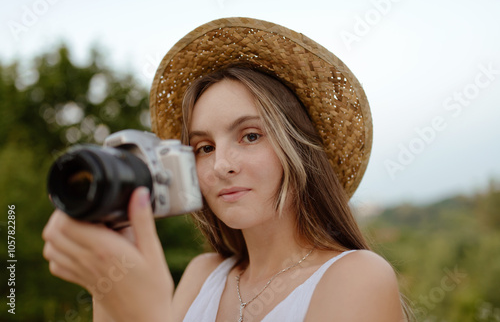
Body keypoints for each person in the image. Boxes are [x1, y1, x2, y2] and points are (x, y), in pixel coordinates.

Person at [43, 17, 410, 321]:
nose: (221, 165)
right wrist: (108, 285)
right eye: (204, 147)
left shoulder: (356, 277)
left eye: (250, 136)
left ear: (298, 147)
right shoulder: (202, 276)